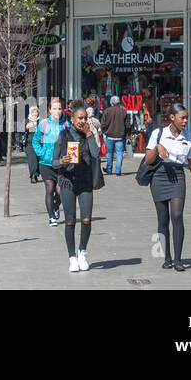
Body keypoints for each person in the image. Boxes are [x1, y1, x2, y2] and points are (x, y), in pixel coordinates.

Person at [145, 102, 191, 272]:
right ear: (172, 118)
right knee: (163, 220)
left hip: (178, 175)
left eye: (186, 118)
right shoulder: (158, 133)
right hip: (159, 176)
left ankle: (178, 259)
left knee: (177, 216)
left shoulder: (189, 136)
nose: (185, 121)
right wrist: (157, 147)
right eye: (182, 118)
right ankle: (167, 257)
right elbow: (148, 160)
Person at [54, 102, 104, 272]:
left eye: (85, 118)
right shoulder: (63, 134)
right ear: (72, 119)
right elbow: (53, 162)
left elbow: (96, 154)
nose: (83, 121)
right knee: (69, 221)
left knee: (86, 219)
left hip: (85, 182)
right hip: (67, 181)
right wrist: (61, 161)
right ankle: (72, 257)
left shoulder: (89, 134)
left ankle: (82, 252)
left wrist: (90, 134)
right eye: (80, 118)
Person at [32, 98, 67, 226]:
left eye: (59, 108)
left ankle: (56, 206)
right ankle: (51, 217)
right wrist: (42, 153)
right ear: (49, 110)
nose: (57, 111)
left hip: (61, 163)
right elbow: (35, 141)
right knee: (49, 189)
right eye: (54, 108)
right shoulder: (44, 124)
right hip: (46, 163)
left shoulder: (66, 124)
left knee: (60, 191)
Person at [99, 96, 128, 175]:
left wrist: (105, 131)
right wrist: (126, 133)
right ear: (118, 103)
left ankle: (109, 169)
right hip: (120, 136)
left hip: (109, 135)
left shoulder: (107, 111)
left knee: (109, 153)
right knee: (119, 153)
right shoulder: (123, 111)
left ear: (111, 103)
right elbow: (127, 125)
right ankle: (118, 171)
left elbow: (103, 124)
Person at [25, 105, 41, 183]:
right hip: (29, 143)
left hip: (39, 143)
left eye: (36, 111)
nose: (35, 113)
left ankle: (36, 173)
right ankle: (33, 175)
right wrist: (26, 127)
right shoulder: (27, 120)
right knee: (32, 160)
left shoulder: (40, 121)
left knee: (38, 160)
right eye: (33, 112)